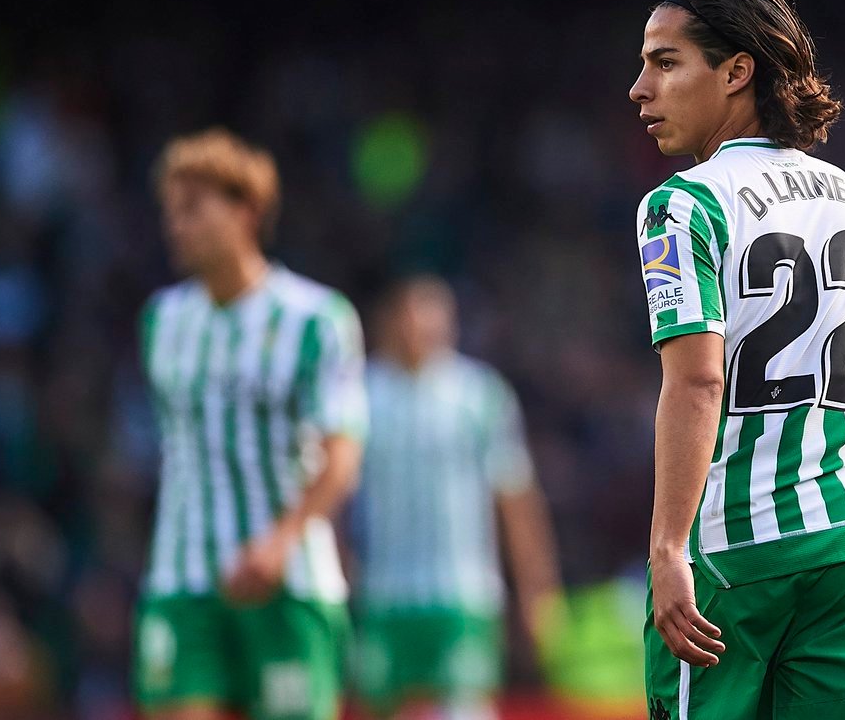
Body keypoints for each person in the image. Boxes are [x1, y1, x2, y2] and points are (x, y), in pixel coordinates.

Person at [628, 0, 845, 719]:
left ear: (737, 71)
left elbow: (699, 383)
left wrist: (669, 547)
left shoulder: (681, 204)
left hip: (736, 561)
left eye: (665, 62)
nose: (640, 88)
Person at [132, 128, 368, 720]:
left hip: (287, 584)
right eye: (169, 212)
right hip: (182, 580)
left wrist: (282, 539)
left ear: (246, 210)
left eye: (192, 210)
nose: (174, 226)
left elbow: (342, 455)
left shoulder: (317, 319)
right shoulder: (162, 321)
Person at [349, 275, 561, 720]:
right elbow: (336, 492)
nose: (421, 327)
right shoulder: (361, 396)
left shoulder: (479, 395)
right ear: (387, 321)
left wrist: (536, 591)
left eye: (433, 315)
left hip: (463, 597)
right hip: (384, 596)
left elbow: (515, 499)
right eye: (410, 314)